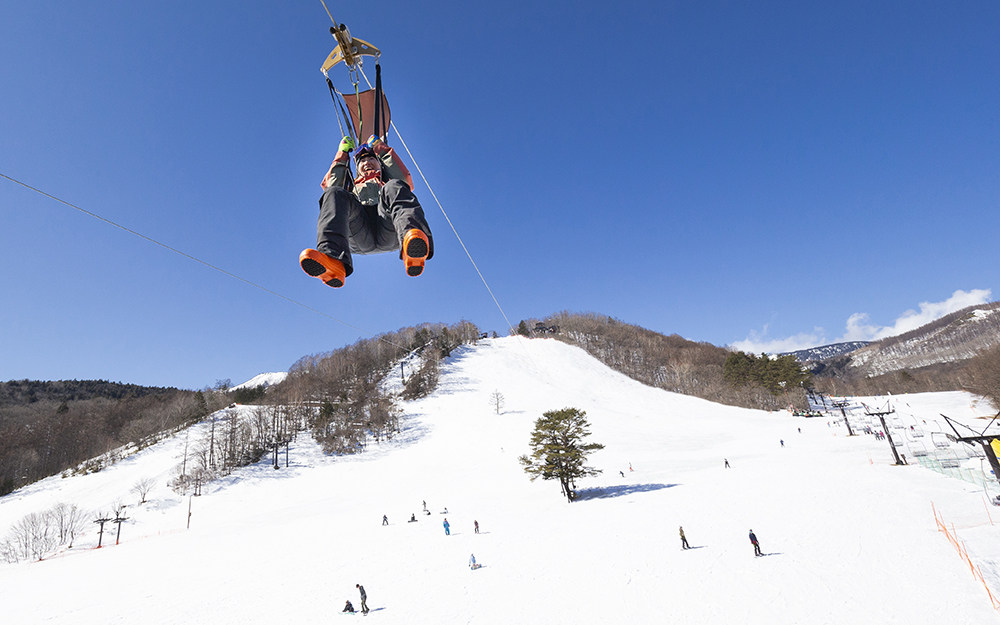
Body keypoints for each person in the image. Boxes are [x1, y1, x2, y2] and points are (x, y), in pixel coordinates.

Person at [299, 135, 434, 288]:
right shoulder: (352, 185)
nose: (367, 162)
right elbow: (331, 185)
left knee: (395, 185)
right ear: (356, 168)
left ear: (379, 163)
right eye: (362, 161)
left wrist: (379, 147)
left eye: (371, 159)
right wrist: (342, 154)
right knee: (335, 192)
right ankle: (333, 260)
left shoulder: (385, 181)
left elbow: (404, 180)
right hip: (359, 233)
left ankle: (413, 246)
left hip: (389, 229)